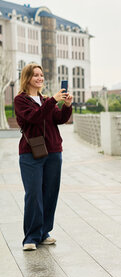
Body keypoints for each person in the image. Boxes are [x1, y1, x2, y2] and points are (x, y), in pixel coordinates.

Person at [14, 63, 73, 251]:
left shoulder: (45, 99)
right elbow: (35, 118)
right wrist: (52, 101)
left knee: (50, 194)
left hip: (54, 152)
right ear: (27, 78)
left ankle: (44, 232)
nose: (40, 78)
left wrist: (67, 106)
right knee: (33, 194)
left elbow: (59, 119)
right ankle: (31, 237)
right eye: (35, 75)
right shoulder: (20, 100)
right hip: (31, 153)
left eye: (41, 75)